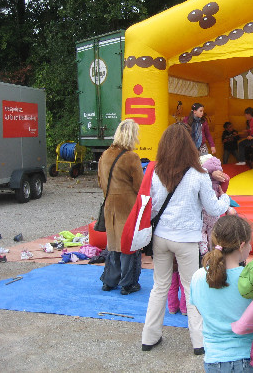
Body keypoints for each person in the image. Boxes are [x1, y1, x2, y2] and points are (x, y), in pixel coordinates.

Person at [141, 123, 233, 354]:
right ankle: (198, 342)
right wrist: (226, 199)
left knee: (159, 286)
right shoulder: (199, 175)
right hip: (187, 239)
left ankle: (149, 337)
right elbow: (213, 208)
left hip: (160, 237)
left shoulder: (156, 172)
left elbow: (151, 208)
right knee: (192, 288)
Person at [190, 214, 253, 372]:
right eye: (249, 243)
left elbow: (200, 311)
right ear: (242, 246)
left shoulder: (198, 277)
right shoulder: (250, 279)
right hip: (247, 357)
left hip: (214, 359)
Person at [98, 119, 144, 295]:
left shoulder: (104, 155)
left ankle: (109, 281)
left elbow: (100, 182)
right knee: (129, 245)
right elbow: (140, 187)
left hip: (110, 204)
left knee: (113, 244)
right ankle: (128, 283)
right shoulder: (131, 157)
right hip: (128, 205)